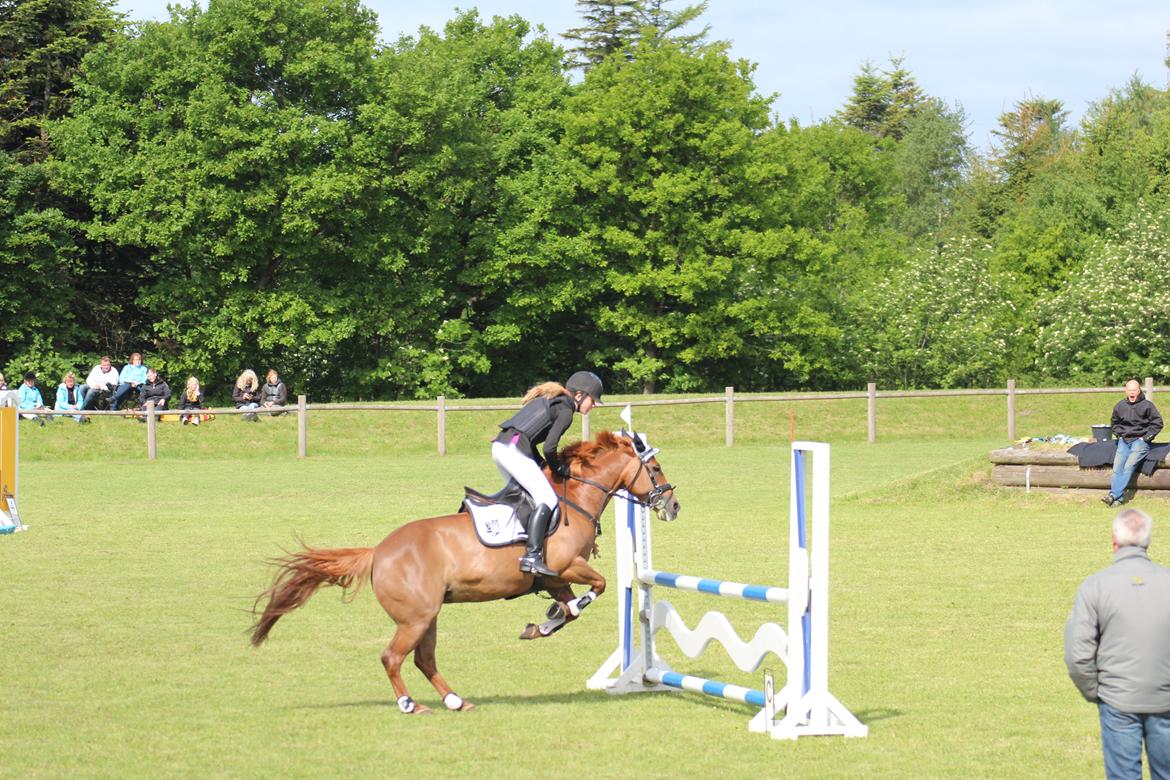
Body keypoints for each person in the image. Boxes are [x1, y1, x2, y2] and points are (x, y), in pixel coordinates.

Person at [1065, 508, 1170, 780]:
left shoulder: (1095, 586)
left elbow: (1078, 654)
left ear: (1114, 540)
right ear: (1147, 541)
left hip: (1117, 700)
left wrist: (1097, 692)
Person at [492, 370, 603, 577]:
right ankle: (532, 557)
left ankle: (512, 544)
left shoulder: (554, 401)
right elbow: (550, 447)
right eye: (593, 400)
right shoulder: (566, 410)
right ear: (579, 395)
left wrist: (542, 465)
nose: (594, 405)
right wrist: (557, 468)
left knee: (524, 498)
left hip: (502, 446)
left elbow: (528, 439)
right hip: (512, 450)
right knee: (547, 499)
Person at [1104, 380, 1163, 507]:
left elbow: (1158, 423)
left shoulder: (1148, 405)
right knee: (1117, 469)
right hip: (1124, 440)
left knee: (1128, 466)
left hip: (1140, 441)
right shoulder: (1120, 406)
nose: (1132, 392)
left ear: (1139, 390)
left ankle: (1113, 495)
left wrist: (1146, 438)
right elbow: (1114, 424)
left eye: (1134, 390)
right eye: (1129, 390)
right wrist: (1119, 435)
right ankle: (1118, 500)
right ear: (1126, 390)